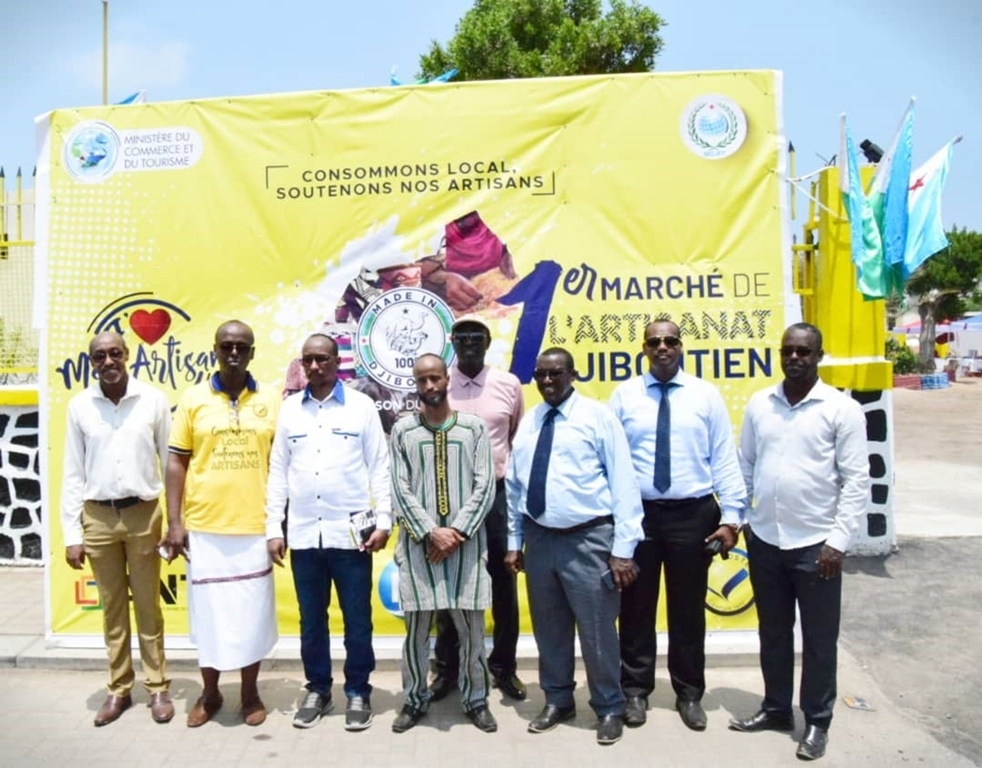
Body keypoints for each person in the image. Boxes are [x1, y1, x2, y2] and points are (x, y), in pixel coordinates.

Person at [730, 323, 870, 761]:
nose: (794, 358)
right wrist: (742, 520)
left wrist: (839, 541)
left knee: (818, 638)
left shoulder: (840, 409)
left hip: (817, 545)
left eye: (804, 352)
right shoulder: (760, 404)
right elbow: (746, 464)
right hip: (766, 540)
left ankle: (816, 721)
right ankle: (775, 708)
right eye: (788, 350)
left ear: (819, 356)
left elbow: (856, 480)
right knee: (772, 632)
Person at [608, 319, 748, 731]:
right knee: (635, 609)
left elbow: (723, 457)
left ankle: (689, 694)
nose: (663, 347)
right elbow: (614, 462)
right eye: (655, 342)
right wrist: (615, 521)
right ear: (645, 349)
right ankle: (635, 692)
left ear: (681, 346)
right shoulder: (624, 396)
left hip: (694, 515)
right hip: (640, 518)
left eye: (670, 341)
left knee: (687, 612)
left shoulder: (705, 396)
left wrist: (732, 518)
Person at [506, 348, 643, 746]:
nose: (547, 381)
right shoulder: (531, 422)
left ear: (573, 374)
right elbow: (515, 488)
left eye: (556, 373)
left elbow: (623, 483)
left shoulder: (598, 417)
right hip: (540, 538)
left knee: (598, 630)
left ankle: (609, 706)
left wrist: (622, 550)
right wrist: (516, 542)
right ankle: (558, 699)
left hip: (589, 539)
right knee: (550, 629)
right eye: (541, 375)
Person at [265, 333, 391, 730]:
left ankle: (358, 691)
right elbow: (278, 472)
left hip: (351, 536)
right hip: (304, 534)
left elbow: (379, 466)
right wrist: (274, 526)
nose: (316, 366)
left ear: (338, 362)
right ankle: (318, 688)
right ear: (302, 365)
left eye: (323, 359)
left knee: (357, 618)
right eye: (309, 360)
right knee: (311, 620)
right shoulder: (288, 411)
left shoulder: (361, 407)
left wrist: (384, 520)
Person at [161, 320, 280, 728]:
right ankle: (210, 693)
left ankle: (249, 694)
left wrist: (278, 523)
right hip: (205, 528)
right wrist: (175, 522)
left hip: (254, 526)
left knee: (252, 616)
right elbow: (177, 461)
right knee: (209, 618)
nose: (234, 353)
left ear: (252, 352)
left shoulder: (271, 399)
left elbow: (280, 465)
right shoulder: (193, 399)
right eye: (226, 346)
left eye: (241, 347)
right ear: (214, 349)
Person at [61, 331, 174, 727]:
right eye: (99, 357)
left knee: (148, 605)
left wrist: (176, 521)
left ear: (128, 355)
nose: (107, 362)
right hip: (98, 518)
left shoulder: (153, 401)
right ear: (91, 362)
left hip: (144, 515)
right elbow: (73, 472)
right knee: (112, 610)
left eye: (114, 354)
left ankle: (158, 687)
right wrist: (72, 535)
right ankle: (119, 688)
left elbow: (169, 461)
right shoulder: (80, 407)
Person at [389, 353, 498, 734]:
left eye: (435, 378)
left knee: (470, 631)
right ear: (415, 384)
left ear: (446, 379)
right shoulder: (403, 431)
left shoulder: (473, 428)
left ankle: (476, 699)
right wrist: (430, 532)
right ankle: (414, 698)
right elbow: (399, 489)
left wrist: (457, 533)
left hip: (466, 549)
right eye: (422, 381)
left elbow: (486, 486)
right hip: (421, 549)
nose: (430, 386)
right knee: (416, 632)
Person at [430, 315, 526, 702]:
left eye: (477, 336)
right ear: (452, 341)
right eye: (462, 336)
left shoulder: (508, 385)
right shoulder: (438, 385)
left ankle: (504, 669)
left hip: (497, 498)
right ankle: (447, 670)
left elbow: (515, 438)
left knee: (503, 585)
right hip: (448, 499)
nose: (470, 342)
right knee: (449, 586)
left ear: (488, 342)